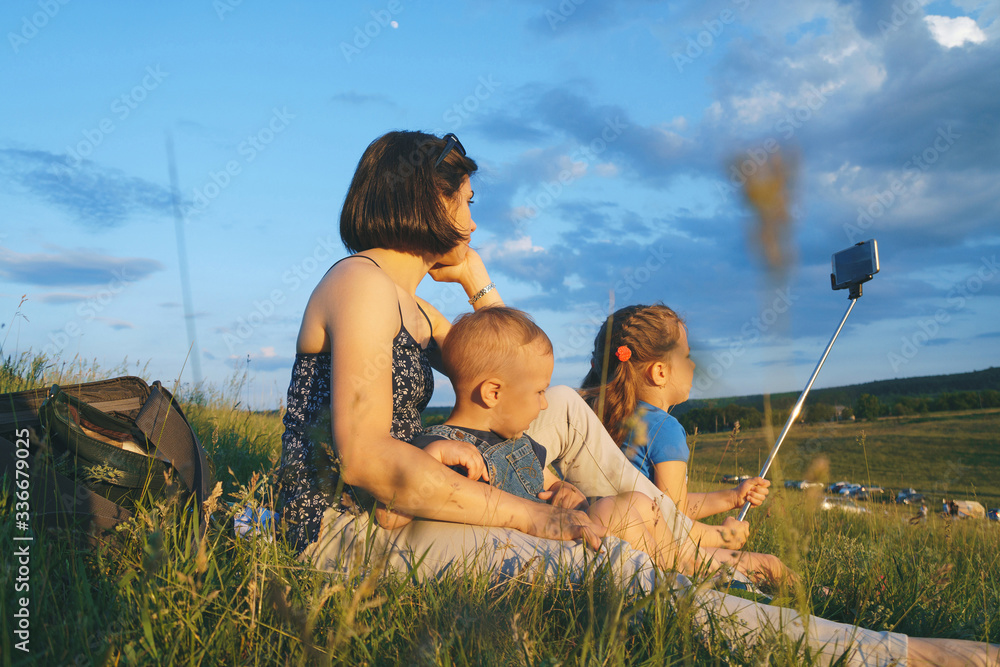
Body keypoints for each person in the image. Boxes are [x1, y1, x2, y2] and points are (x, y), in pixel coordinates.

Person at [275, 130, 998, 667]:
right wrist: (535, 515)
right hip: (342, 539)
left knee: (557, 401)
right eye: (465, 199)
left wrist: (475, 284)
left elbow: (505, 367)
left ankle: (694, 548)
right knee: (607, 562)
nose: (474, 216)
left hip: (387, 517)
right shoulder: (362, 284)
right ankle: (894, 655)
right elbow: (366, 458)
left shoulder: (408, 304)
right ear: (425, 199)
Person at [378, 305, 785, 585]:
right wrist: (430, 457)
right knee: (629, 515)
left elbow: (540, 487)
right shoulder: (444, 446)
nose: (544, 403)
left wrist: (561, 490)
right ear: (492, 393)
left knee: (634, 505)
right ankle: (720, 568)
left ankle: (721, 564)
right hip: (536, 551)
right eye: (538, 392)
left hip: (562, 529)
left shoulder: (516, 441)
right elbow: (390, 514)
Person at [579, 303, 795, 587]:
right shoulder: (664, 429)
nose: (692, 365)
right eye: (687, 356)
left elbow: (667, 504)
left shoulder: (600, 415)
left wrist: (732, 497)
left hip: (610, 532)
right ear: (660, 372)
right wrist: (725, 535)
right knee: (771, 566)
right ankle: (822, 605)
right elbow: (673, 522)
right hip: (657, 550)